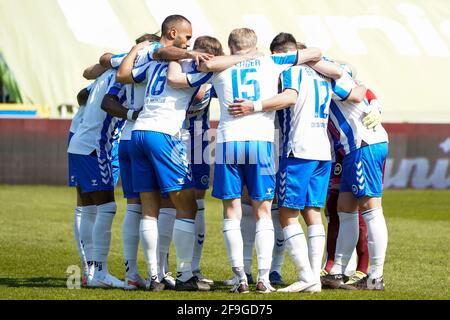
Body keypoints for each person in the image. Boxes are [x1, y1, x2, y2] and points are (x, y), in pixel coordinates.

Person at [168, 28, 329, 293]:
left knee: (231, 210)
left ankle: (240, 277)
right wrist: (259, 56)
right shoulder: (272, 61)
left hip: (229, 142)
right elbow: (316, 52)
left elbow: (178, 80)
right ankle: (264, 278)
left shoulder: (219, 68)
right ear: (255, 45)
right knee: (263, 210)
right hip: (262, 143)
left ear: (230, 48)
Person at [116, 14, 232, 291]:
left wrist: (136, 50)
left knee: (150, 209)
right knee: (187, 205)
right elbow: (216, 67)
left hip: (138, 133)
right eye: (187, 36)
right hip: (163, 135)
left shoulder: (153, 62)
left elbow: (122, 74)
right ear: (173, 32)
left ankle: (155, 276)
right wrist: (242, 57)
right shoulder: (187, 63)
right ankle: (184, 275)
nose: (189, 41)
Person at [227, 32, 347, 292]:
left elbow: (289, 98)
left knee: (286, 213)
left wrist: (254, 106)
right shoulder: (323, 75)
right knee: (313, 213)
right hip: (322, 151)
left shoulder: (290, 71)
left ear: (280, 54)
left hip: (297, 150)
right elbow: (345, 78)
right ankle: (314, 278)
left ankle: (306, 276)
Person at [321, 65, 389, 291]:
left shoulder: (326, 78)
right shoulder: (322, 75)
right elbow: (354, 76)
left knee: (371, 209)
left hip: (363, 145)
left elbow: (357, 85)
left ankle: (375, 276)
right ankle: (338, 271)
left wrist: (375, 104)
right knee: (345, 207)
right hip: (352, 149)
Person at [67, 66, 126, 288]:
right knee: (104, 206)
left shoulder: (109, 73)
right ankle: (98, 272)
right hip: (95, 144)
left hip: (82, 139)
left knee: (87, 206)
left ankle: (90, 270)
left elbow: (82, 94)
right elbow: (105, 103)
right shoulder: (125, 75)